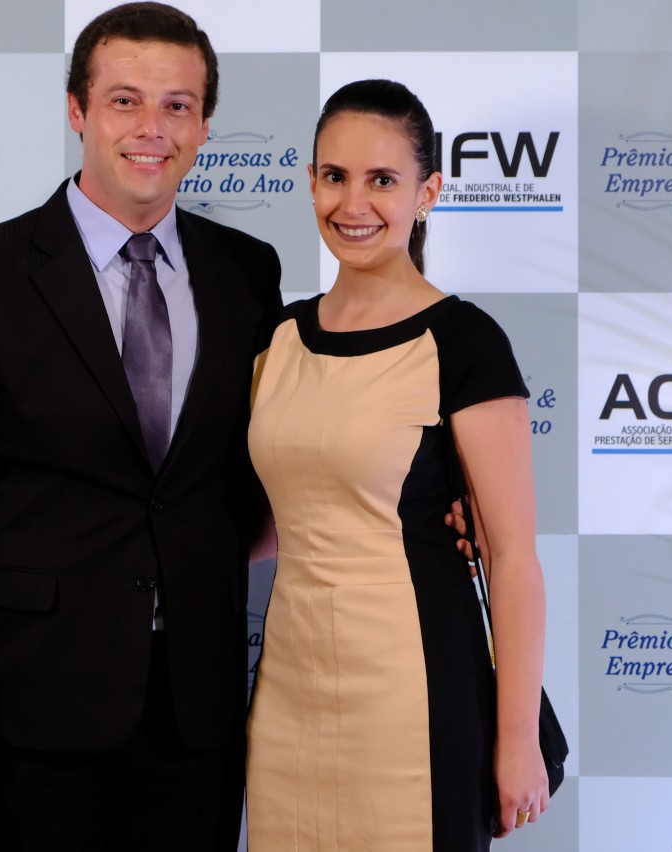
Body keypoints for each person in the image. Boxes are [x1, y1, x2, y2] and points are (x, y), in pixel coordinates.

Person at [0, 4, 281, 849]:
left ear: (204, 125)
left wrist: (424, 509)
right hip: (26, 718)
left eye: (177, 105)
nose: (152, 128)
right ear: (77, 111)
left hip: (196, 716)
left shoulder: (247, 271)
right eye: (125, 101)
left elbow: (266, 462)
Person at [244, 79, 549, 851]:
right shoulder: (277, 339)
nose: (354, 204)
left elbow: (513, 557)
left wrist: (517, 740)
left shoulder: (465, 341)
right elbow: (278, 517)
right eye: (335, 176)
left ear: (427, 192)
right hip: (288, 693)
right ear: (310, 181)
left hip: (416, 690)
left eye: (383, 179)